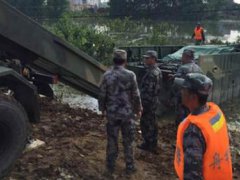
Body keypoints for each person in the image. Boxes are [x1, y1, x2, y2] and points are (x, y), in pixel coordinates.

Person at [174, 73, 232, 180]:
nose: (181, 92)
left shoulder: (193, 130)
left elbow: (192, 174)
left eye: (184, 89)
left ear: (193, 97)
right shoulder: (215, 112)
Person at [98, 49, 142, 175]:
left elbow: (102, 94)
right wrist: (138, 109)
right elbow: (136, 95)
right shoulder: (131, 75)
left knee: (112, 141)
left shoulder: (106, 75)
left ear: (113, 60)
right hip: (127, 114)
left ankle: (110, 167)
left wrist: (102, 109)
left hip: (112, 114)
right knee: (128, 141)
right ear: (125, 61)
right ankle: (130, 166)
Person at [138, 50, 162, 154]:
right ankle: (151, 143)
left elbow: (148, 91)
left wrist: (141, 104)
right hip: (154, 101)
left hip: (148, 102)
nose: (145, 60)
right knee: (152, 122)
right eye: (145, 58)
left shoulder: (152, 73)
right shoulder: (157, 70)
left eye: (147, 58)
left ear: (153, 59)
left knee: (146, 123)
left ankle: (149, 144)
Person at [174, 48, 203, 126]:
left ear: (186, 56)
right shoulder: (198, 68)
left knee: (181, 119)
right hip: (194, 99)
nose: (182, 58)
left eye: (183, 56)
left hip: (183, 98)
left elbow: (176, 85)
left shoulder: (183, 68)